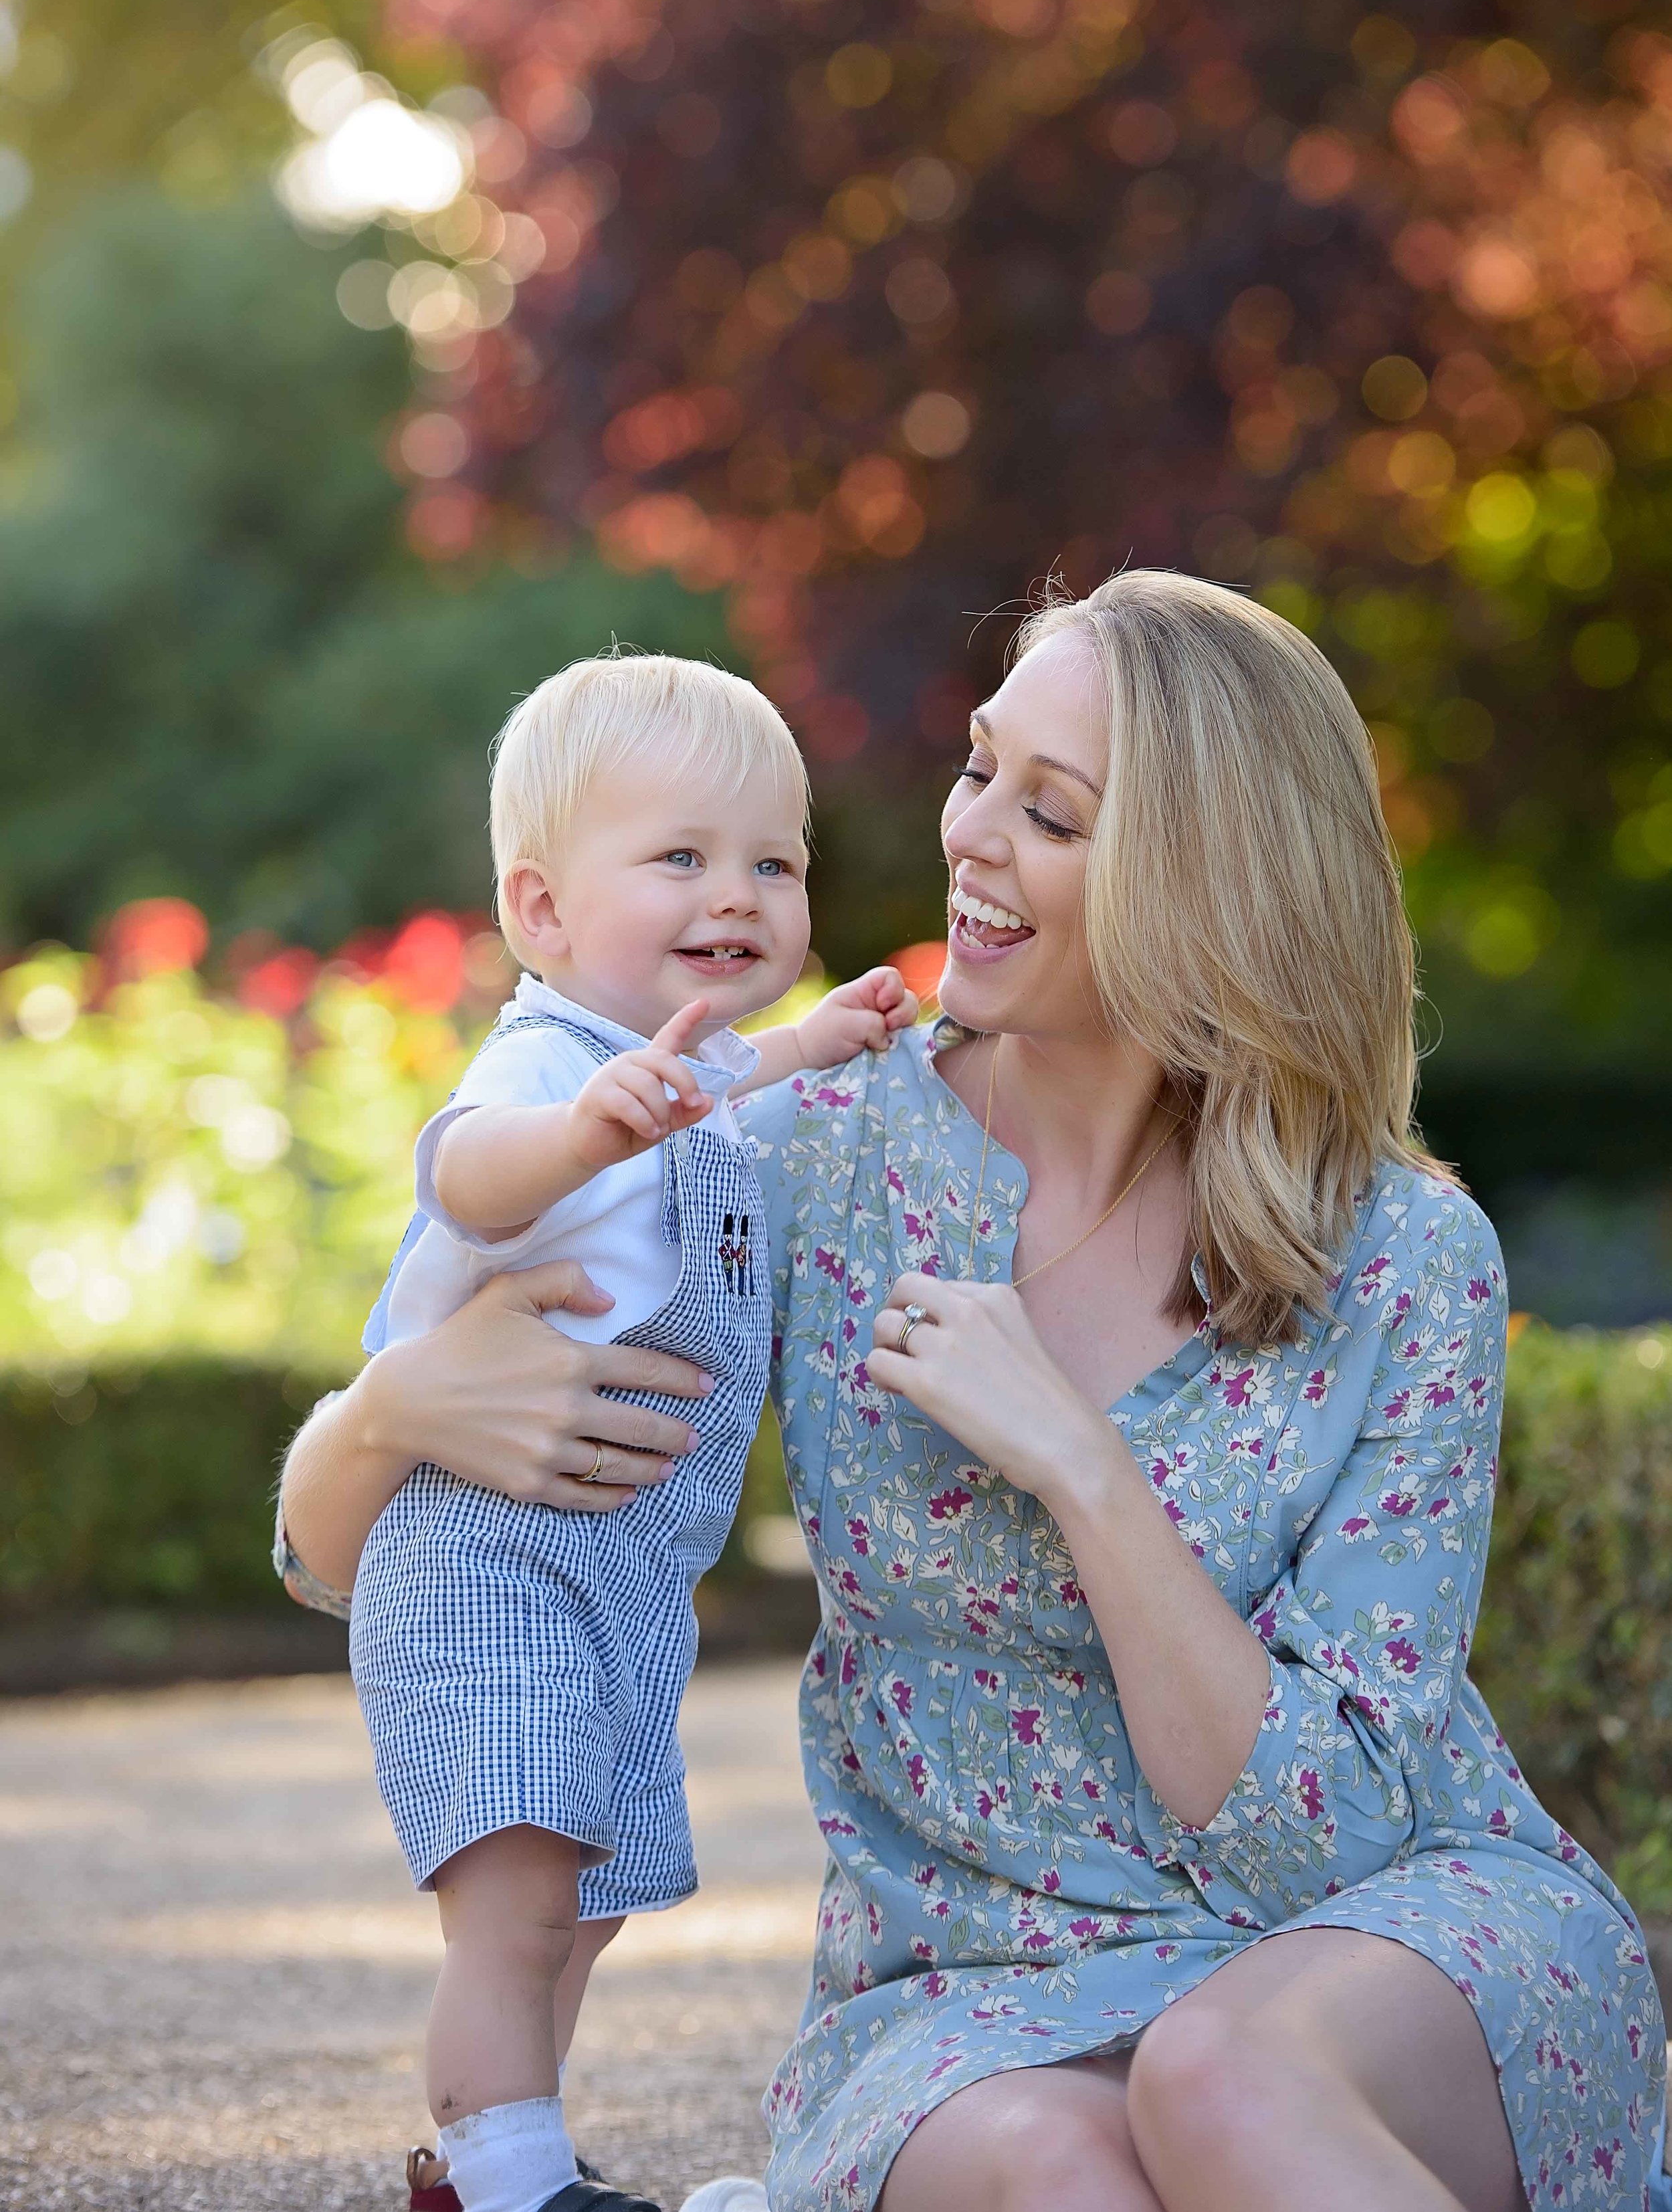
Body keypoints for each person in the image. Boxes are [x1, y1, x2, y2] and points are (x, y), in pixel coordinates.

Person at [279, 575, 1666, 2212]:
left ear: (1205, 876)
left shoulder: (1403, 1254)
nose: (972, 839)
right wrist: (390, 1413)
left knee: (1217, 2079)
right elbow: (337, 1562)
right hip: (966, 1990)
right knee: (1056, 2163)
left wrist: (1083, 1471)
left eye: (1051, 812)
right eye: (977, 771)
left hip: (1382, 1940)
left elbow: (1329, 1832)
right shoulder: (803, 1159)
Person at [336, 651, 916, 2212]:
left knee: (576, 1903)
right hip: (486, 1557)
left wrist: (829, 1039)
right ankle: (512, 2179)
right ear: (539, 914)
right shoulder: (548, 1065)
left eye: (774, 862)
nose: (737, 892)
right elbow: (463, 1173)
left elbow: (739, 1093)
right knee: (514, 1907)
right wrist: (592, 1124)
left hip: (616, 1578)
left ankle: (491, 2153)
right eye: (679, 856)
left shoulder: (685, 1079)